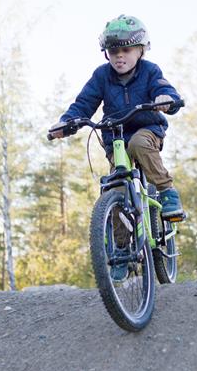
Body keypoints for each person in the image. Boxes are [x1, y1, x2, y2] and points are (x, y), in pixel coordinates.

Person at [48, 14, 184, 222]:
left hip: (147, 129)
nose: (119, 56)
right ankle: (120, 248)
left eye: (126, 50)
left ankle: (166, 192)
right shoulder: (101, 76)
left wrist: (166, 98)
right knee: (117, 186)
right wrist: (68, 122)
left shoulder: (149, 70)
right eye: (113, 51)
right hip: (116, 138)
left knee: (139, 143)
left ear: (141, 50)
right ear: (107, 54)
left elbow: (162, 87)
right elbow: (84, 103)